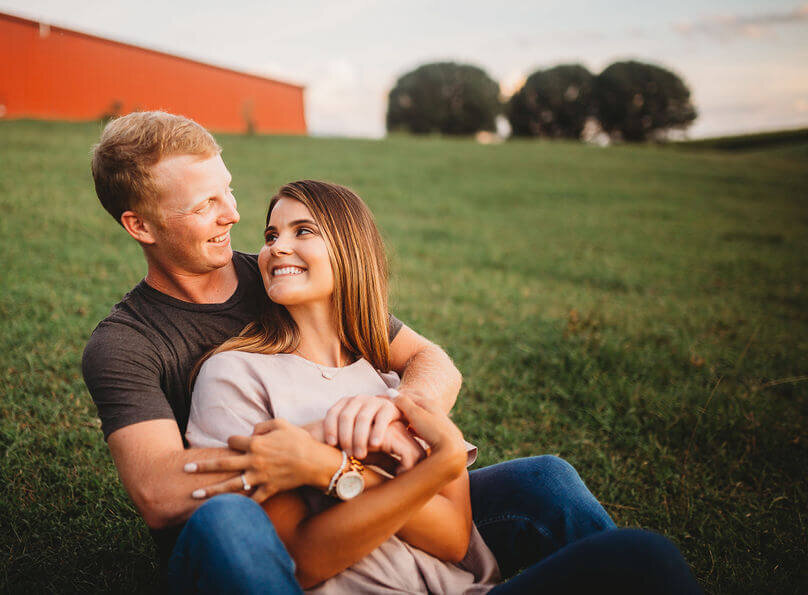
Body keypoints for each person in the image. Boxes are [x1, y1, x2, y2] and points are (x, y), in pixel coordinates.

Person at [80, 111, 681, 593]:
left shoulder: (284, 280)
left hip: (374, 505)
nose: (233, 216)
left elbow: (431, 363)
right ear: (141, 226)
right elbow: (160, 494)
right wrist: (310, 452)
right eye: (203, 205)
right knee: (225, 521)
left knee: (551, 485)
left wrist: (393, 419)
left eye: (228, 192)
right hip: (252, 540)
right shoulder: (128, 342)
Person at [186, 180, 702, 594]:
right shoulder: (236, 373)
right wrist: (432, 463)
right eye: (272, 234)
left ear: (350, 250)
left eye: (303, 231)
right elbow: (301, 562)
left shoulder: (391, 382)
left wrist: (333, 469)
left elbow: (454, 540)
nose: (277, 248)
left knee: (643, 555)